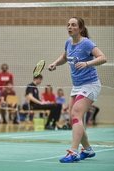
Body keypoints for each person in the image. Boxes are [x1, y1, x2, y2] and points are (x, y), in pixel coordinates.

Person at [48, 17, 107, 163]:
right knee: (73, 117)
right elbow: (65, 56)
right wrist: (55, 63)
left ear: (80, 29)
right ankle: (87, 150)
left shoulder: (86, 43)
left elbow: (102, 57)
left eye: (73, 25)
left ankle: (73, 152)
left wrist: (87, 63)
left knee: (75, 114)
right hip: (77, 86)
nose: (70, 27)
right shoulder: (68, 42)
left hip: (90, 84)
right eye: (68, 25)